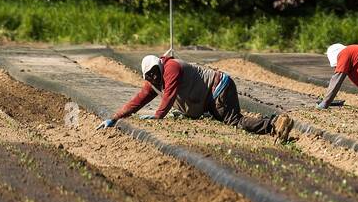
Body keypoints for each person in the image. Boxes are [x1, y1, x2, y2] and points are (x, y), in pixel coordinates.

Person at [97, 51, 293, 141]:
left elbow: (170, 95)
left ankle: (274, 126)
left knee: (234, 121)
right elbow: (137, 101)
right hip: (211, 96)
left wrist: (158, 116)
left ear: (159, 66)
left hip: (219, 88)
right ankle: (272, 124)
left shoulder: (171, 67)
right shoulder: (152, 82)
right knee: (230, 120)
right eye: (150, 77)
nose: (155, 78)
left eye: (155, 73)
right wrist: (114, 118)